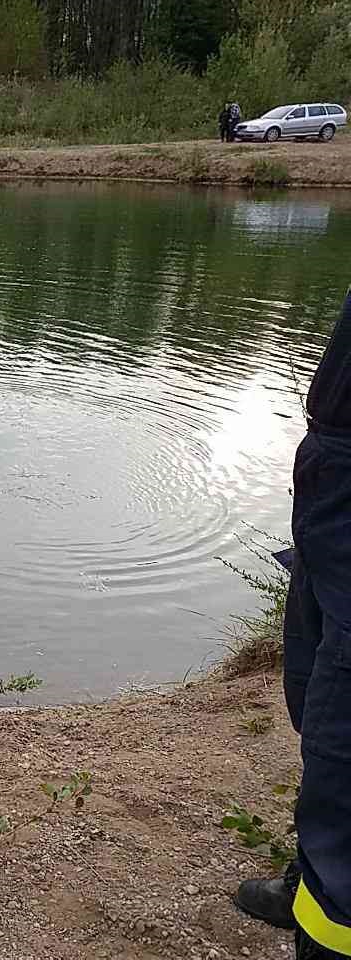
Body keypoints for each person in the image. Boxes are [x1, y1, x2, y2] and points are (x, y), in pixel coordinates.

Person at [236, 289, 351, 959]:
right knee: (313, 698)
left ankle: (329, 910)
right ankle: (310, 876)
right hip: (333, 484)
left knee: (341, 747)